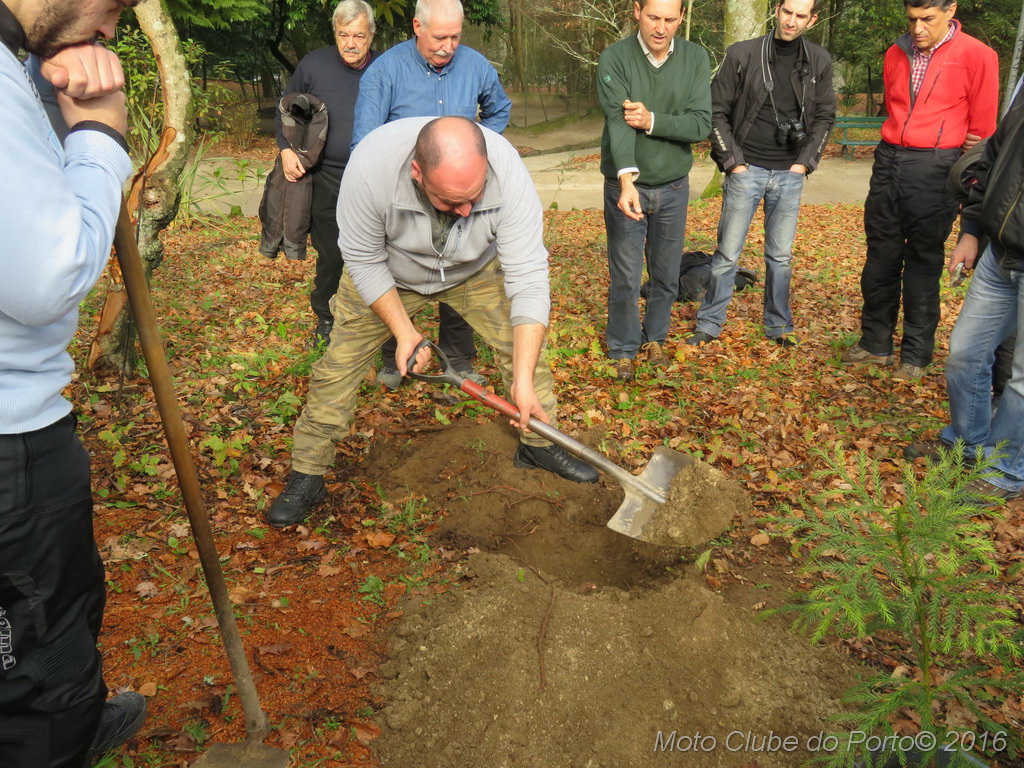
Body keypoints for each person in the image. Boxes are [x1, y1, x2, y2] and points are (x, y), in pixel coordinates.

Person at [265, 117, 598, 527]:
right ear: (417, 173)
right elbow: (363, 259)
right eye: (451, 201)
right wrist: (404, 332)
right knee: (338, 368)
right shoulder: (371, 168)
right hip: (388, 273)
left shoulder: (508, 172)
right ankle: (308, 473)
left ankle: (538, 445)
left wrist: (522, 379)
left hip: (473, 271)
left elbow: (528, 277)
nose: (466, 211)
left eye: (474, 197)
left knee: (526, 351)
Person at [0, 0, 148, 765]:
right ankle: (58, 736)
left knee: (61, 607)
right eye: (117, 4)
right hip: (11, 445)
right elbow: (49, 274)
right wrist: (100, 136)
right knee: (37, 655)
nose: (114, 28)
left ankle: (78, 720)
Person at [352, 0, 511, 390]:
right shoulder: (384, 71)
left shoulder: (475, 66)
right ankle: (395, 355)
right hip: (405, 195)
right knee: (395, 270)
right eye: (440, 37)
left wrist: (477, 154)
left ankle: (457, 359)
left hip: (459, 192)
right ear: (417, 26)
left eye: (455, 37)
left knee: (463, 265)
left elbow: (499, 110)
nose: (448, 46)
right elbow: (364, 144)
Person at [841, 0, 998, 380]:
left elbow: (984, 133)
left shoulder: (979, 56)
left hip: (937, 166)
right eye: (911, 19)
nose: (917, 28)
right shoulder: (896, 52)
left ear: (950, 10)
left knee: (923, 261)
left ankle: (915, 354)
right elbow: (895, 107)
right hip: (889, 159)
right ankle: (875, 343)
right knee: (880, 257)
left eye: (927, 19)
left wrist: (969, 167)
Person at [687, 0, 834, 348]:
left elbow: (825, 116)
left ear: (812, 20)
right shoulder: (742, 54)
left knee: (780, 257)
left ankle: (779, 325)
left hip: (790, 173)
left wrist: (804, 163)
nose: (792, 21)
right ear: (777, 9)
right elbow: (715, 110)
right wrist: (733, 162)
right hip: (746, 168)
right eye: (788, 12)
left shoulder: (818, 60)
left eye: (801, 16)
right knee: (727, 254)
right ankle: (709, 323)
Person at [904, 84, 1024, 502]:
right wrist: (971, 231)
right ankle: (967, 445)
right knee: (965, 354)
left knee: (1022, 377)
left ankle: (1005, 469)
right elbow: (992, 159)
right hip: (1000, 251)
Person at [597, 0, 711, 382]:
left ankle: (655, 339)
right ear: (636, 11)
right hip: (627, 185)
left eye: (669, 19)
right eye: (653, 17)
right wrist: (626, 180)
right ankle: (623, 348)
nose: (661, 28)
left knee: (665, 274)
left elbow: (700, 125)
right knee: (626, 276)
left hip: (674, 186)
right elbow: (618, 122)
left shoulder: (695, 58)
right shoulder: (615, 59)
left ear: (682, 17)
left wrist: (651, 120)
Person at [276, 0, 377, 347]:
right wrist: (286, 149)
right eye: (344, 34)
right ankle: (327, 319)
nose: (351, 43)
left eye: (358, 35)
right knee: (332, 253)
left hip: (373, 179)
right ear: (335, 32)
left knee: (376, 251)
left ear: (371, 35)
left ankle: (376, 321)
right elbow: (287, 111)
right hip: (325, 178)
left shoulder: (386, 67)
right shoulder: (314, 65)